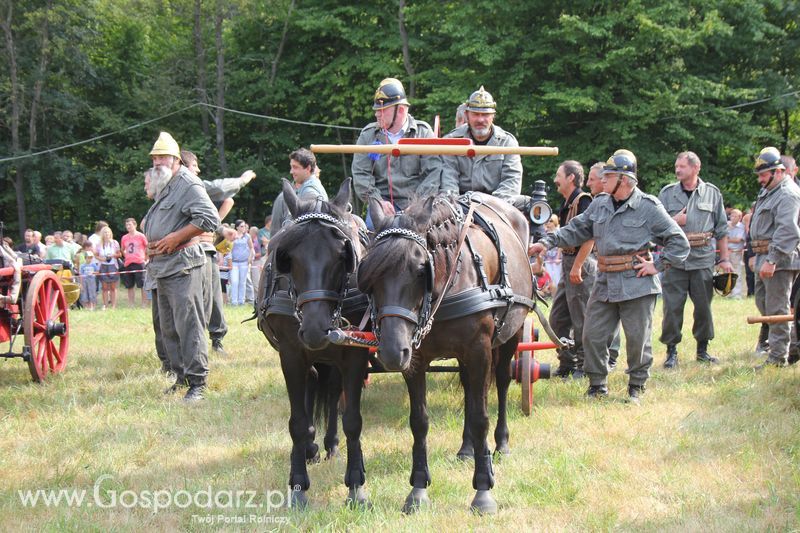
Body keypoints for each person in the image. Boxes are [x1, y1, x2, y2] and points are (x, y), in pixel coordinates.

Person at [529, 150, 689, 402]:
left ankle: (636, 385)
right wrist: (547, 242)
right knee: (592, 334)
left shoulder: (648, 207)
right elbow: (576, 229)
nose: (603, 180)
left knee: (637, 338)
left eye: (609, 176)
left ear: (624, 179)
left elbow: (679, 242)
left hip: (637, 283)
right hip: (604, 281)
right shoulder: (600, 204)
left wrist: (657, 265)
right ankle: (597, 385)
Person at [142, 131, 220, 401]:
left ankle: (198, 382)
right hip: (162, 266)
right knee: (169, 327)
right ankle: (181, 377)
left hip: (184, 266)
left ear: (176, 159)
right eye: (154, 158)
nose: (157, 162)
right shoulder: (165, 185)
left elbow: (209, 217)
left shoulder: (188, 182)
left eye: (163, 157)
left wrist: (176, 237)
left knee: (190, 324)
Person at [657, 151, 732, 368]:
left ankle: (703, 350)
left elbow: (721, 229)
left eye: (682, 166)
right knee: (672, 307)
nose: (677, 169)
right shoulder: (667, 193)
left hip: (703, 259)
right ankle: (671, 352)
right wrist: (674, 221)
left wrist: (724, 259)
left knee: (703, 307)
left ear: (695, 168)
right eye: (676, 165)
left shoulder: (712, 193)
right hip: (675, 260)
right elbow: (657, 227)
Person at [181, 149, 255, 355]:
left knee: (214, 297)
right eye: (194, 166)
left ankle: (217, 340)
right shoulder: (185, 187)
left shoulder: (192, 191)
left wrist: (222, 229)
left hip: (207, 250)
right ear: (184, 167)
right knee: (193, 299)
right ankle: (193, 343)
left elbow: (207, 219)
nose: (198, 170)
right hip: (189, 252)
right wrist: (242, 180)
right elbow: (219, 188)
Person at [351, 78, 438, 228]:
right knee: (373, 232)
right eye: (377, 109)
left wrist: (417, 204)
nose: (377, 114)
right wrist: (378, 201)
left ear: (401, 110)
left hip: (416, 202)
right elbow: (361, 174)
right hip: (382, 201)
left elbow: (433, 174)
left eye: (383, 110)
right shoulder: (368, 135)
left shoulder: (423, 132)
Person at [748, 147, 800, 368]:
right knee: (764, 304)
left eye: (763, 175)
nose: (760, 179)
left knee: (777, 310)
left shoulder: (787, 193)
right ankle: (794, 346)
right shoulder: (769, 191)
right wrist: (756, 255)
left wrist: (772, 259)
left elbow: (788, 230)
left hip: (779, 260)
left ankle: (778, 358)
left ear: (778, 172)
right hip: (763, 256)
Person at [545, 161, 595, 378]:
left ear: (571, 178)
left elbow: (590, 236)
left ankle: (584, 366)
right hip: (568, 262)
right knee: (557, 318)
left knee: (582, 318)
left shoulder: (584, 201)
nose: (555, 180)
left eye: (559, 175)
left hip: (579, 263)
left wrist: (578, 266)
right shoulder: (567, 203)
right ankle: (567, 363)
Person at [441, 86, 523, 201]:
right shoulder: (452, 140)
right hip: (460, 204)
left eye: (485, 115)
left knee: (532, 207)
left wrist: (490, 206)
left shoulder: (507, 142)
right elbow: (448, 181)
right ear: (467, 115)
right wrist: (457, 206)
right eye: (475, 114)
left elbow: (511, 181)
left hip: (498, 205)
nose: (480, 120)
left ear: (493, 116)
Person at [585, 161, 622, 369]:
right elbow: (581, 228)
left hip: (628, 274)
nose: (592, 182)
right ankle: (598, 379)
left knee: (630, 329)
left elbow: (589, 237)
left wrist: (658, 265)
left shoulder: (645, 204)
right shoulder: (599, 203)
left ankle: (614, 357)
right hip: (604, 269)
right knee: (596, 324)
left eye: (597, 178)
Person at [270, 148, 328, 237]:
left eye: (295, 167)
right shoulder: (318, 189)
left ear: (308, 168)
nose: (291, 171)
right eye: (291, 167)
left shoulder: (310, 193)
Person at [120, 218, 148, 307]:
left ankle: (144, 304)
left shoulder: (141, 236)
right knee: (129, 285)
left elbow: (147, 247)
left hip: (139, 262)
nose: (128, 227)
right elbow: (122, 250)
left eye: (130, 225)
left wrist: (146, 259)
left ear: (135, 225)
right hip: (128, 263)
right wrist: (127, 256)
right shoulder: (124, 237)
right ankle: (131, 304)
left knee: (142, 284)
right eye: (127, 225)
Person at [228, 219, 253, 306]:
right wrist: (229, 261)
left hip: (244, 262)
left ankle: (241, 301)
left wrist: (250, 258)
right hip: (234, 262)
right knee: (234, 281)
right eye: (241, 226)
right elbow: (229, 250)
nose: (243, 228)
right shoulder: (233, 236)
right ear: (237, 227)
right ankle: (234, 301)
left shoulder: (247, 237)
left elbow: (251, 248)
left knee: (242, 282)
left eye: (244, 226)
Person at [95, 226, 121, 309]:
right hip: (103, 266)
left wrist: (113, 255)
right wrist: (101, 258)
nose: (107, 234)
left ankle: (113, 306)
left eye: (108, 232)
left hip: (113, 265)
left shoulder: (115, 243)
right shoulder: (99, 244)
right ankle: (105, 305)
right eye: (105, 232)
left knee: (113, 287)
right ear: (102, 234)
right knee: (104, 287)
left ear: (111, 233)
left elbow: (119, 254)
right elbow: (95, 255)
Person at [727, 209, 745, 298]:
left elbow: (737, 240)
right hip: (726, 252)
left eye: (734, 216)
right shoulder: (727, 225)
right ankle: (728, 292)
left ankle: (737, 295)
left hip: (735, 253)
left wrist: (726, 240)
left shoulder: (741, 227)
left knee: (736, 272)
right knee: (727, 273)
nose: (732, 218)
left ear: (740, 217)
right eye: (731, 216)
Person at [77, 242, 99, 311]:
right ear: (85, 258)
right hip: (84, 280)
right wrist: (81, 283)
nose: (89, 259)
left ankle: (93, 306)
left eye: (90, 258)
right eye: (88, 258)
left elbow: (98, 272)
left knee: (92, 292)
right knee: (85, 293)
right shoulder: (82, 266)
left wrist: (93, 272)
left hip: (92, 280)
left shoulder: (94, 265)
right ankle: (87, 306)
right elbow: (80, 274)